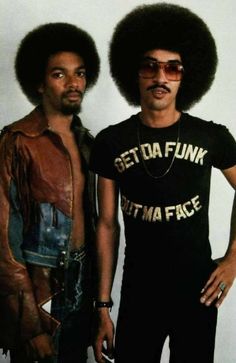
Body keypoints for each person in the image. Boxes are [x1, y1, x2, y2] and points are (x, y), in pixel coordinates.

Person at [90, 3, 236, 363]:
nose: (161, 77)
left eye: (173, 68)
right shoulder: (111, 141)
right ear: (133, 73)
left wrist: (234, 258)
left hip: (198, 289)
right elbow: (107, 225)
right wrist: (103, 306)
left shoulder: (212, 136)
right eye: (149, 66)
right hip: (140, 291)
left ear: (186, 76)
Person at [0, 22, 100, 363]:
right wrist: (29, 326)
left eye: (80, 73)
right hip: (41, 289)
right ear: (40, 82)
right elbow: (4, 246)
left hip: (83, 286)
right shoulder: (16, 141)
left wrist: (100, 306)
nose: (74, 83)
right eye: (60, 74)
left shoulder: (89, 143)